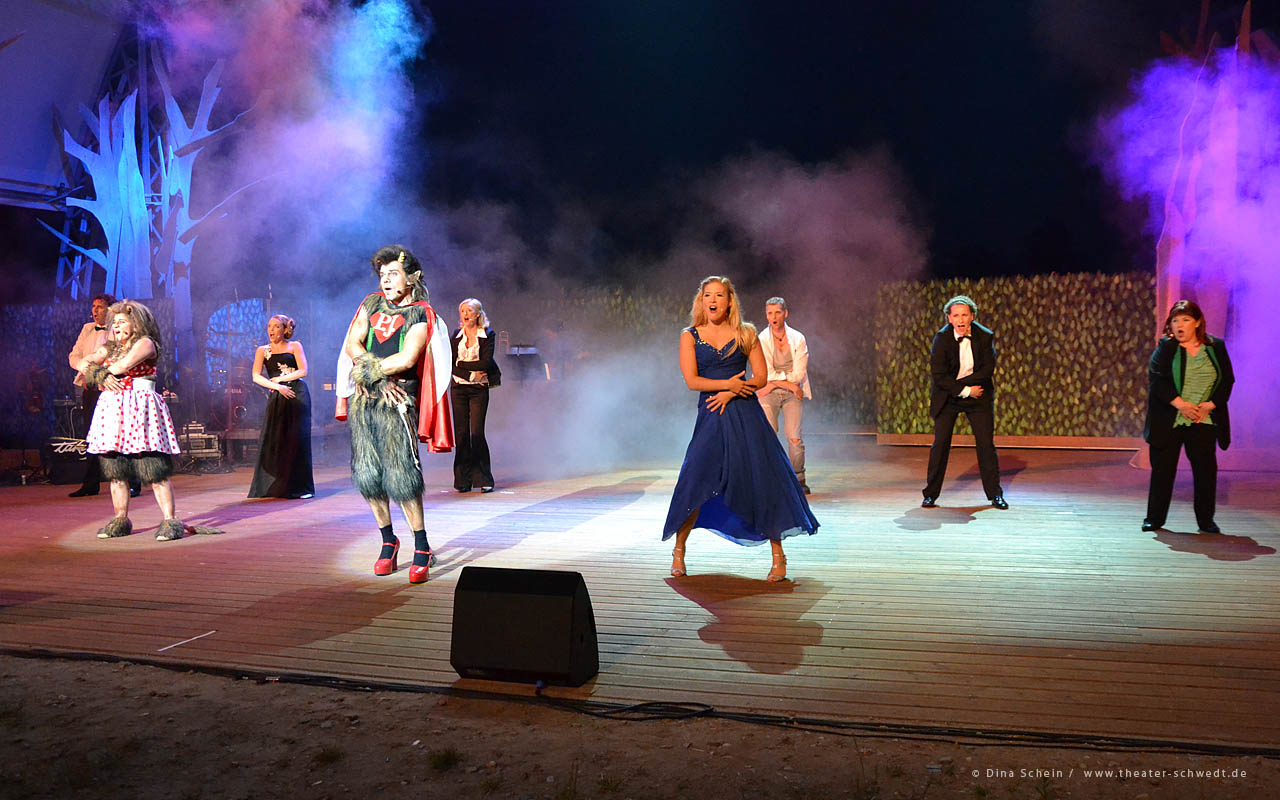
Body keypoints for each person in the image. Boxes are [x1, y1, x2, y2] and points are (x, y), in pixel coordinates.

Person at [663, 276, 819, 582]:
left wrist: (732, 392)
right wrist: (727, 385)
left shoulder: (746, 332)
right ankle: (679, 549)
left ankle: (778, 556)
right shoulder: (690, 336)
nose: (713, 300)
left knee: (763, 479)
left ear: (729, 301)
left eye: (719, 295)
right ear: (701, 301)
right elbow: (692, 381)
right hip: (711, 414)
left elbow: (760, 377)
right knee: (696, 478)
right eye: (707, 295)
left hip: (745, 414)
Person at [338, 246, 454, 584]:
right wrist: (376, 377)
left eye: (393, 274)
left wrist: (369, 372)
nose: (386, 281)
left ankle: (421, 545)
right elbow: (353, 344)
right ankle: (388, 540)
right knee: (368, 475)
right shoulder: (371, 303)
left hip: (399, 400)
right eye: (382, 275)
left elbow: (407, 358)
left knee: (402, 475)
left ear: (412, 277)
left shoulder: (421, 313)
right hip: (366, 399)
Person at [78, 300, 187, 540]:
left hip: (140, 408)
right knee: (116, 468)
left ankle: (170, 521)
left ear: (135, 323)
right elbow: (82, 362)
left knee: (153, 467)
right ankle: (120, 519)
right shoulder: (110, 346)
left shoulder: (146, 343)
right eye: (114, 323)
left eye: (121, 322)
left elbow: (123, 366)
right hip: (115, 409)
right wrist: (97, 374)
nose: (116, 326)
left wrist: (100, 373)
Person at [1142, 300, 1234, 533]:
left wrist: (1210, 405)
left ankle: (1206, 520)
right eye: (1175, 321)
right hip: (1171, 418)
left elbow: (1227, 380)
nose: (1179, 325)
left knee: (1205, 472)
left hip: (1203, 419)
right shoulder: (1166, 346)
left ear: (1197, 323)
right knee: (1163, 471)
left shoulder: (1215, 346)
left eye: (1185, 320)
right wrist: (1181, 405)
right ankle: (1154, 518)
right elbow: (1157, 379)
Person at [921, 295, 1007, 509]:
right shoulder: (941, 339)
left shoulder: (985, 336)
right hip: (949, 396)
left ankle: (995, 494)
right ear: (949, 318)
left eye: (965, 315)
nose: (961, 319)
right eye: (956, 315)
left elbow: (987, 370)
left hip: (979, 396)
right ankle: (930, 495)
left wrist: (968, 389)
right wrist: (965, 390)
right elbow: (939, 375)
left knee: (986, 444)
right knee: (941, 444)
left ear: (972, 317)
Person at [66, 293, 137, 497]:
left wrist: (96, 370)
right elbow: (74, 356)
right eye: (93, 306)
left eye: (100, 306)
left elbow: (118, 357)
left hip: (114, 387)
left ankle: (133, 482)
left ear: (111, 310)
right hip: (91, 389)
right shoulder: (87, 329)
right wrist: (86, 368)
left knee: (121, 434)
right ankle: (91, 483)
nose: (95, 310)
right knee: (92, 435)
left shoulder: (119, 329)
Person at [247, 314, 315, 499]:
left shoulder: (295, 346)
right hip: (278, 394)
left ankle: (303, 488)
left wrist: (282, 379)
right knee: (276, 439)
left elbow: (303, 370)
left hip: (297, 394)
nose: (271, 329)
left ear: (285, 330)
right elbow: (256, 376)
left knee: (297, 440)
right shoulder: (262, 350)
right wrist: (277, 386)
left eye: (276, 326)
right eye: (269, 326)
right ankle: (275, 486)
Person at [756, 296, 811, 493]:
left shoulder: (798, 338)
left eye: (777, 312)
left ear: (785, 313)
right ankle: (772, 479)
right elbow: (766, 372)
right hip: (768, 392)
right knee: (769, 436)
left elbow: (799, 374)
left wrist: (778, 383)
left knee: (794, 437)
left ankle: (798, 479)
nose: (773, 317)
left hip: (791, 393)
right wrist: (780, 384)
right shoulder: (762, 339)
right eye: (769, 313)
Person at [450, 298, 502, 493]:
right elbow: (450, 363)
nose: (465, 314)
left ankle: (484, 479)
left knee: (477, 433)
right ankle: (463, 480)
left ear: (478, 314)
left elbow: (485, 362)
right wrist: (469, 373)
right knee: (461, 434)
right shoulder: (456, 335)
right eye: (462, 310)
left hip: (479, 389)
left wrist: (461, 364)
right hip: (459, 388)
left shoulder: (487, 334)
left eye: (469, 310)